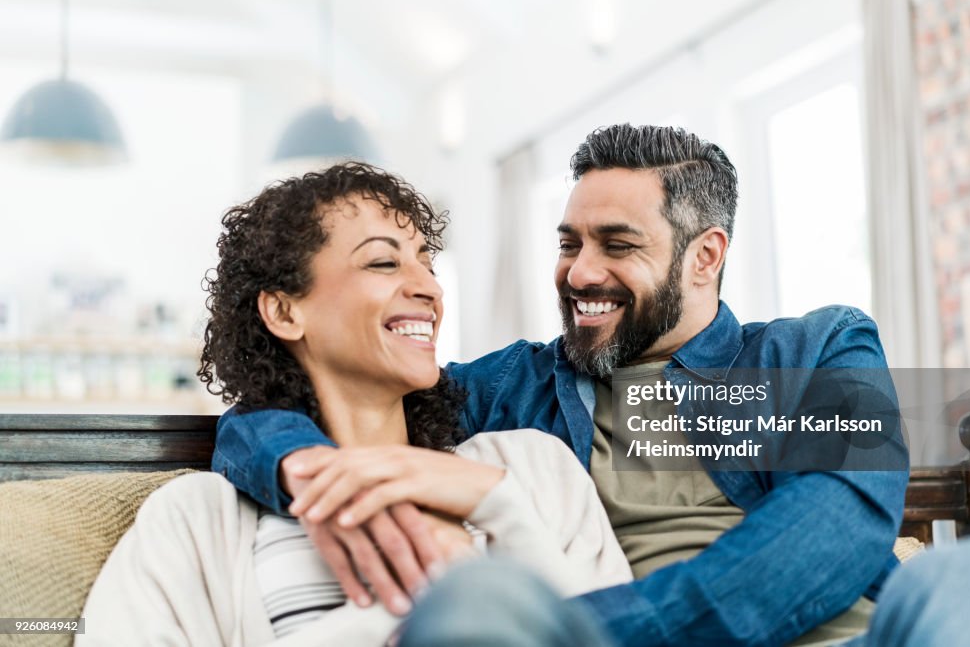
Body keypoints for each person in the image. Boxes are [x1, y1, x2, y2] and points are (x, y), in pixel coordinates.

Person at [212, 124, 912, 645]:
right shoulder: (523, 386)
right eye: (569, 242)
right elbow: (290, 399)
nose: (579, 273)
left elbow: (839, 521)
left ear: (705, 257)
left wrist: (587, 630)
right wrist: (302, 465)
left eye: (617, 244)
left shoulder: (820, 348)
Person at [77, 163, 631, 645]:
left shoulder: (530, 469)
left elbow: (614, 634)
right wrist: (421, 595)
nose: (429, 289)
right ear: (285, 312)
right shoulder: (196, 519)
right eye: (383, 264)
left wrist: (501, 507)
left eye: (427, 265)